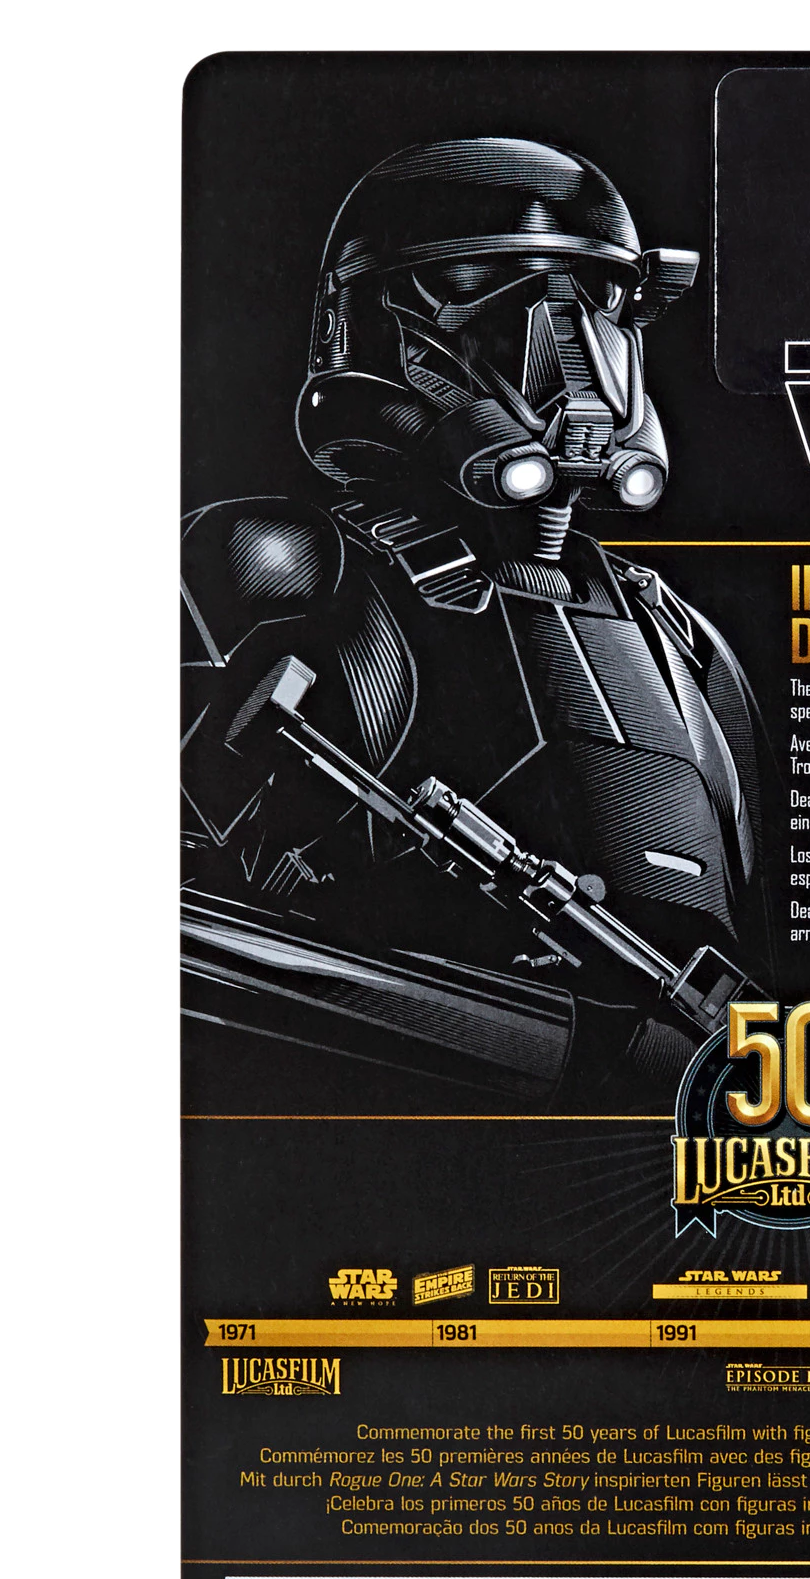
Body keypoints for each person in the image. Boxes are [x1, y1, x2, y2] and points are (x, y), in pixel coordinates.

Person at [180, 138, 765, 1105]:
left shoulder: (682, 644)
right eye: (481, 288)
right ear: (369, 323)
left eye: (598, 298)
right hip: (374, 1095)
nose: (567, 350)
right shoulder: (283, 565)